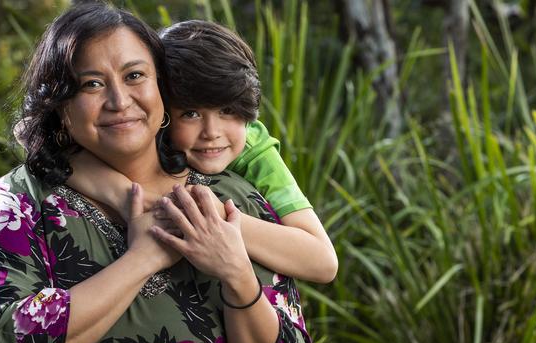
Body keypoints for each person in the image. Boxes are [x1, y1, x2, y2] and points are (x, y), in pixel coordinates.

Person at [0, 3, 313, 343]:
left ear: (163, 89)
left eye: (134, 76)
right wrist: (141, 259)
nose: (119, 101)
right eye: (91, 84)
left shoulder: (233, 196)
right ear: (60, 104)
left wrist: (237, 273)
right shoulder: (16, 204)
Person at [67, 19, 338, 284]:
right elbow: (47, 146)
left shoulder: (253, 147)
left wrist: (216, 217)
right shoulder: (143, 132)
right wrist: (125, 195)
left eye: (227, 110)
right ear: (162, 109)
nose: (211, 132)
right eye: (191, 113)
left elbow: (323, 262)